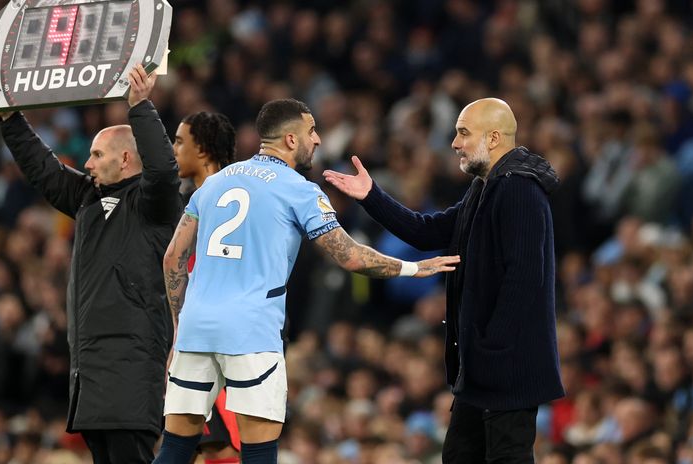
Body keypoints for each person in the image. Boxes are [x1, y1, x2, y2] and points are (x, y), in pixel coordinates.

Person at [155, 98, 460, 464]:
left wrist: (179, 326)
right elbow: (350, 256)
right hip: (251, 333)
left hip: (196, 328)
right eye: (311, 131)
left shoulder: (215, 182)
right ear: (289, 139)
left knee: (175, 449)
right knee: (259, 454)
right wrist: (414, 268)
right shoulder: (298, 189)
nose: (317, 140)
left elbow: (173, 257)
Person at [324, 98, 565, 464]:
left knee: (507, 457)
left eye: (464, 132)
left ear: (495, 137)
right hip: (482, 366)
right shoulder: (487, 186)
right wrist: (372, 197)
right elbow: (427, 232)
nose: (454, 142)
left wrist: (492, 346)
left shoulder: (519, 190)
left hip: (506, 365)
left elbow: (525, 278)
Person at [0, 65, 181, 463]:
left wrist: (140, 107)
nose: (87, 163)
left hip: (131, 367)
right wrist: (9, 117)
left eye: (96, 154)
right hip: (89, 371)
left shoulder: (153, 206)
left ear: (125, 159)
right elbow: (44, 169)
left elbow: (163, 170)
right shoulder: (88, 199)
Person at [172, 111, 242, 463]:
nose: (174, 149)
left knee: (221, 444)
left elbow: (175, 261)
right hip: (206, 336)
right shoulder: (194, 198)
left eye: (180, 141)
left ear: (202, 150)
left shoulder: (223, 198)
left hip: (220, 341)